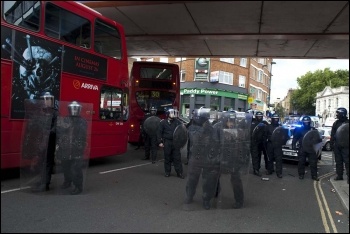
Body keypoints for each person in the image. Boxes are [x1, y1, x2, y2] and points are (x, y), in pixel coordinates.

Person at [185, 108, 221, 210]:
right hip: (195, 156)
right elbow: (187, 135)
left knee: (208, 180)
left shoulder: (211, 128)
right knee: (192, 178)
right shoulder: (192, 127)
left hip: (207, 157)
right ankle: (189, 196)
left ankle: (206, 199)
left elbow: (215, 141)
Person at [56, 101, 88, 195]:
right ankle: (67, 181)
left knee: (76, 168)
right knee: (66, 166)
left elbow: (82, 135)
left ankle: (78, 186)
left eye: (76, 108)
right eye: (72, 108)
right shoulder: (65, 119)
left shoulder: (82, 121)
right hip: (66, 147)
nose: (74, 110)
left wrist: (80, 146)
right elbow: (60, 131)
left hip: (76, 148)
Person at [216, 111, 245, 209]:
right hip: (221, 157)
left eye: (232, 121)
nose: (231, 123)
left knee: (236, 180)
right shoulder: (218, 129)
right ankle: (214, 193)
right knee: (215, 177)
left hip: (234, 159)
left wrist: (241, 159)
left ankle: (239, 200)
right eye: (229, 121)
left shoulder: (239, 131)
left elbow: (243, 146)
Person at [31, 92, 57, 192]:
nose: (47, 101)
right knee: (40, 161)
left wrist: (48, 132)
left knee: (48, 162)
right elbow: (34, 124)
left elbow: (55, 126)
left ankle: (46, 182)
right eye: (45, 99)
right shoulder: (39, 112)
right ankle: (41, 180)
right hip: (40, 140)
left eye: (49, 99)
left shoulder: (55, 112)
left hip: (49, 141)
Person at [157, 108, 184, 178]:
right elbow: (159, 132)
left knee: (177, 158)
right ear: (167, 114)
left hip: (176, 143)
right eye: (171, 113)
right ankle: (167, 172)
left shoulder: (178, 122)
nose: (173, 114)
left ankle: (179, 173)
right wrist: (160, 142)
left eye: (173, 113)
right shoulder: (163, 122)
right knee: (167, 157)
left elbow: (182, 131)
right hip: (167, 142)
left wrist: (181, 142)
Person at [292, 116, 320, 181]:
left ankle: (314, 175)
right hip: (302, 147)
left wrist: (317, 148)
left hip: (311, 148)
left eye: (307, 122)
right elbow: (295, 137)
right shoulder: (300, 130)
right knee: (301, 162)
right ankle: (301, 174)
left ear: (309, 122)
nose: (306, 123)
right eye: (305, 122)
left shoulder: (313, 130)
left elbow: (318, 139)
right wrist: (293, 145)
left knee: (313, 163)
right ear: (303, 123)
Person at [330, 107, 349, 183]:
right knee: (338, 161)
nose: (337, 115)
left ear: (342, 114)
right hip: (337, 145)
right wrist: (332, 143)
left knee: (347, 162)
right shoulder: (336, 123)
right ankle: (339, 175)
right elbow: (333, 134)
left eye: (338, 113)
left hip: (346, 146)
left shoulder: (348, 123)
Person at [250, 111, 269, 176]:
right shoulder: (252, 122)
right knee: (255, 156)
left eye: (261, 116)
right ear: (256, 116)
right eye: (258, 116)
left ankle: (265, 168)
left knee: (262, 156)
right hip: (254, 142)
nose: (259, 117)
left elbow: (268, 131)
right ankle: (256, 169)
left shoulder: (264, 123)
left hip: (262, 142)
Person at [264, 114, 283, 178]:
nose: (276, 120)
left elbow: (284, 136)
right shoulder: (268, 126)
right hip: (270, 144)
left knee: (279, 159)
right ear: (272, 119)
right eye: (274, 119)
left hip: (278, 144)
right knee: (269, 158)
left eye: (277, 119)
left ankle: (279, 172)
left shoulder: (280, 127)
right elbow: (265, 135)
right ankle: (270, 170)